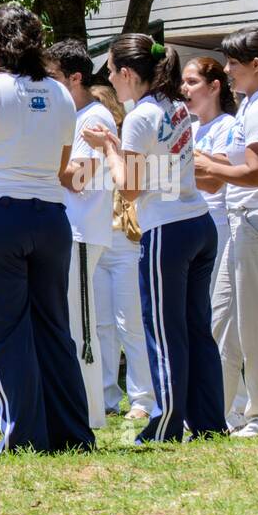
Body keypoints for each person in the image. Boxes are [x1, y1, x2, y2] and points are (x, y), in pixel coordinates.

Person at [0, 4, 92, 455]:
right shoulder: (62, 94)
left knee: (3, 331)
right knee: (53, 327)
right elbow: (62, 165)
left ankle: (21, 435)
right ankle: (73, 433)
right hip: (49, 215)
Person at [82, 34, 224, 444]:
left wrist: (107, 148)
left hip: (168, 231)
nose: (108, 78)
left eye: (110, 71)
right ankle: (209, 421)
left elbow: (128, 189)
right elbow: (160, 176)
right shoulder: (176, 106)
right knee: (197, 328)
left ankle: (165, 423)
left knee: (163, 331)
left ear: (127, 73)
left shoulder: (141, 116)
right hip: (198, 223)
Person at [193, 25, 258, 438]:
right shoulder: (254, 103)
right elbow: (232, 172)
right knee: (222, 322)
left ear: (257, 64)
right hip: (246, 221)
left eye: (234, 64)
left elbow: (256, 173)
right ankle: (220, 413)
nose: (229, 71)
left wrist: (210, 167)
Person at [48, 39, 112, 431]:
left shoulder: (95, 120)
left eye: (53, 77)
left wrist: (38, 155)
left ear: (75, 78)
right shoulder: (70, 117)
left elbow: (76, 179)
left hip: (82, 233)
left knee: (82, 326)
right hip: (67, 233)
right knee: (69, 323)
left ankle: (90, 413)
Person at [183, 55, 247, 426]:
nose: (185, 89)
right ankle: (211, 400)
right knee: (200, 317)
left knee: (220, 318)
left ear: (214, 86)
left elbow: (213, 179)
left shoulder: (227, 126)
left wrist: (184, 161)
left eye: (192, 82)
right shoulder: (191, 129)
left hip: (218, 225)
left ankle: (235, 404)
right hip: (192, 223)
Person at [88, 84, 154, 421]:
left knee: (131, 323)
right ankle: (106, 395)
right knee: (101, 326)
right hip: (99, 239)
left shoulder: (128, 145)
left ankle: (143, 398)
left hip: (128, 242)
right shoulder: (87, 153)